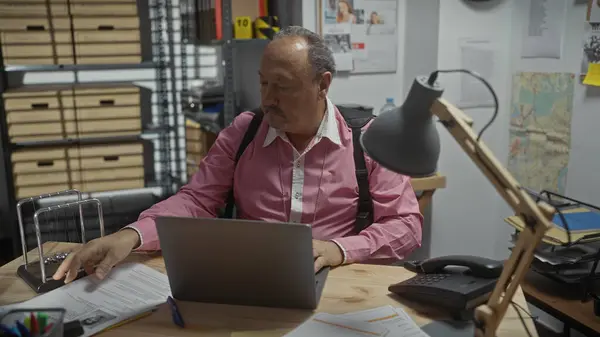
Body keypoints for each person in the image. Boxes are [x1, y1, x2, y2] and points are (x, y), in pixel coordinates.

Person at [52, 26, 423, 284]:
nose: (268, 98)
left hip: (338, 283)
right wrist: (130, 235)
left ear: (322, 84)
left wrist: (338, 249)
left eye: (283, 86)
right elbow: (196, 200)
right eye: (263, 83)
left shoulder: (369, 141)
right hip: (248, 282)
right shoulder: (243, 132)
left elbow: (406, 227)